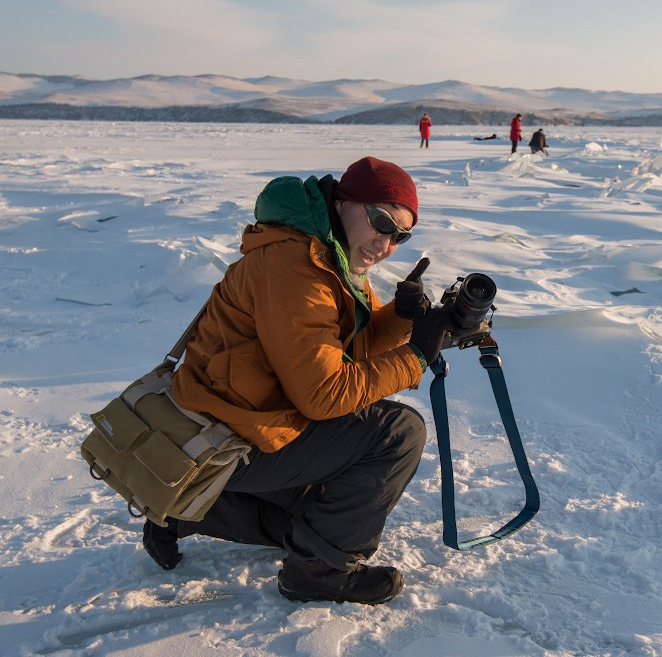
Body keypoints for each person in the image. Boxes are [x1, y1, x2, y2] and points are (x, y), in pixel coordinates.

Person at [142, 156, 453, 606]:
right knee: (397, 432)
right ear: (345, 201)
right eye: (382, 222)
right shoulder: (297, 265)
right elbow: (325, 395)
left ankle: (185, 509)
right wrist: (417, 356)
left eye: (400, 235)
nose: (386, 244)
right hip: (226, 436)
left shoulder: (330, 254)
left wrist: (401, 320)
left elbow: (343, 352)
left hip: (248, 420)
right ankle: (317, 572)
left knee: (318, 515)